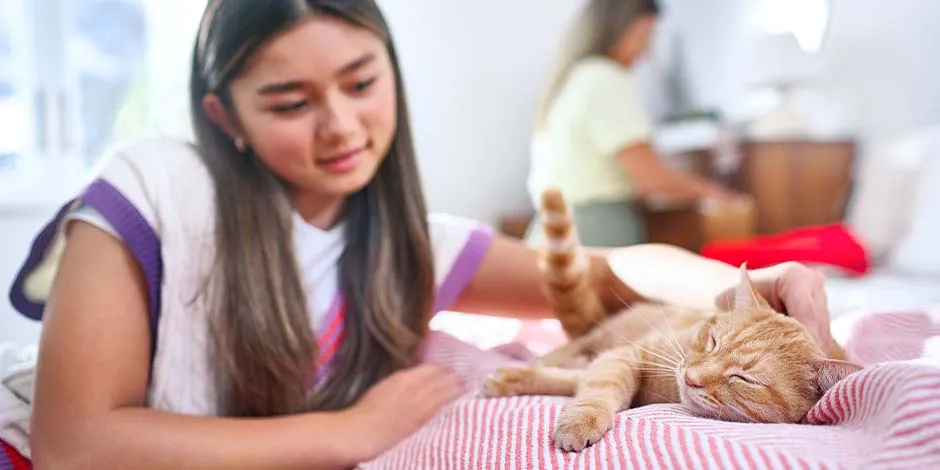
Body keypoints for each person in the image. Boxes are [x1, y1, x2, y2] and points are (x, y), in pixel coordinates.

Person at [0, 1, 836, 468]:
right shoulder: (152, 191)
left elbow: (614, 267)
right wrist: (350, 432)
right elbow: (76, 443)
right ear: (227, 119)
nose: (341, 127)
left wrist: (753, 286)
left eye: (362, 83)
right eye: (290, 103)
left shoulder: (411, 248)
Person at [525, 0, 737, 248]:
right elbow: (651, 178)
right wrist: (718, 195)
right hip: (596, 230)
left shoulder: (574, 77)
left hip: (549, 229)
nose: (646, 51)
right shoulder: (605, 79)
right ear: (618, 28)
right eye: (646, 35)